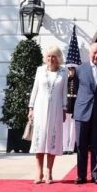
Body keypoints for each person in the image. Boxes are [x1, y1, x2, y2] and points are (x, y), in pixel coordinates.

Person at [28, 46, 68, 184]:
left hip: (56, 109)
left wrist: (64, 109)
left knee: (53, 140)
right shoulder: (40, 70)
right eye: (49, 56)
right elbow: (35, 89)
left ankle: (49, 171)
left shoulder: (64, 71)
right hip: (40, 109)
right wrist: (31, 108)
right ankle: (38, 172)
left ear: (58, 58)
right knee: (40, 140)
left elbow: (64, 92)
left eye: (54, 56)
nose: (51, 59)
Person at [74, 43, 97, 185]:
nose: (96, 56)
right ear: (89, 53)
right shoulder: (79, 69)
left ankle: (96, 175)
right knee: (81, 146)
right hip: (82, 112)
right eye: (94, 53)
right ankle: (81, 175)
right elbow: (78, 89)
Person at [63, 66, 77, 155]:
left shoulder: (77, 81)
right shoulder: (65, 80)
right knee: (65, 128)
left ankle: (71, 148)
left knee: (73, 129)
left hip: (74, 106)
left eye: (72, 70)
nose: (71, 72)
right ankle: (64, 147)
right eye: (69, 70)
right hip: (66, 106)